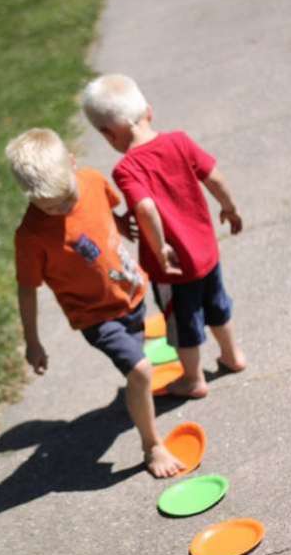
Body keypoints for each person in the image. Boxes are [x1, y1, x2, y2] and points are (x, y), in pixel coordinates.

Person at [5, 127, 184, 477]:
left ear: (73, 163)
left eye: (66, 198)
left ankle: (134, 393)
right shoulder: (31, 236)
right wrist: (32, 341)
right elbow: (27, 289)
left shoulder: (90, 180)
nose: (62, 208)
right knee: (141, 369)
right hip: (95, 317)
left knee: (138, 364)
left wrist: (119, 222)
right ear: (27, 194)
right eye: (49, 205)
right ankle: (153, 446)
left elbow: (107, 205)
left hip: (131, 292)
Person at [82, 74, 246, 398]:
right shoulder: (180, 141)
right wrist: (229, 207)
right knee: (217, 304)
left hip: (174, 268)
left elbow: (145, 208)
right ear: (149, 111)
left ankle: (193, 379)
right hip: (205, 251)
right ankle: (232, 355)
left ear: (108, 134)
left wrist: (160, 249)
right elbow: (213, 176)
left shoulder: (127, 168)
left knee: (182, 323)